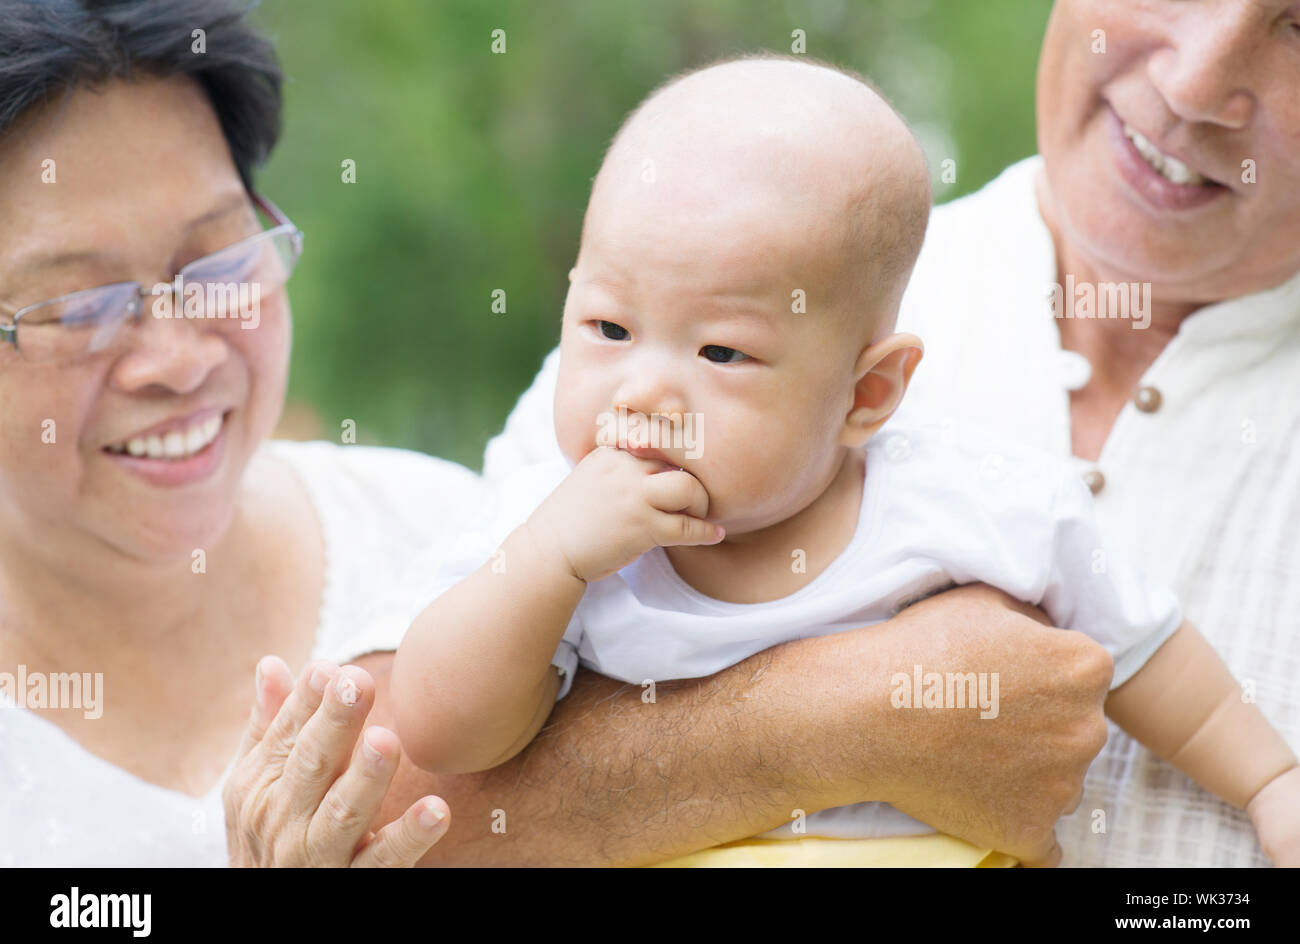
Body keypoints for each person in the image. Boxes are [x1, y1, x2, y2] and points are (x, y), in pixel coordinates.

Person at [0, 0, 1107, 868]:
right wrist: (843, 721)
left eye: (220, 260)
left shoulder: (457, 526)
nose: (181, 354)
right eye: (70, 304)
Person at [227, 0, 1300, 868]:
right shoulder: (564, 505)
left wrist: (1269, 780)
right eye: (603, 325)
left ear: (867, 398)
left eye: (723, 357)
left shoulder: (964, 493)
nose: (641, 388)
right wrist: (548, 566)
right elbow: (424, 752)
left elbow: (1148, 647)